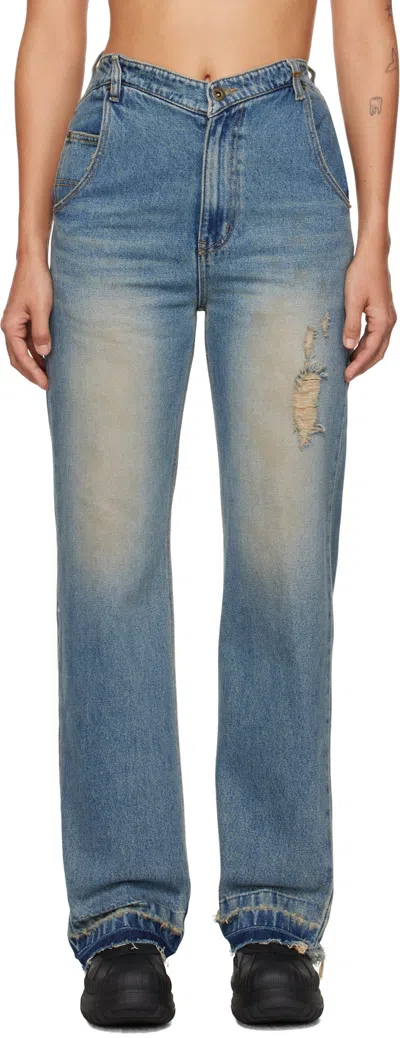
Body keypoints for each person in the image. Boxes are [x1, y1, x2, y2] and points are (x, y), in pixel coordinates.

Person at [2, 0, 398, 1027]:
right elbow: (52, 24)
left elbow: (365, 23)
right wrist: (28, 244)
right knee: (108, 563)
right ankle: (122, 917)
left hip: (286, 163)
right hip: (121, 158)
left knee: (284, 562)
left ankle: (276, 916)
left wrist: (375, 236)